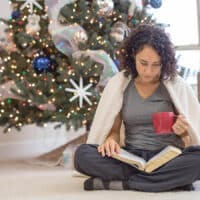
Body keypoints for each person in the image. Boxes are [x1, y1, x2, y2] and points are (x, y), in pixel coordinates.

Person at [74, 24, 200, 192]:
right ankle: (168, 181)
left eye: (156, 64)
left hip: (168, 157)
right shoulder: (121, 85)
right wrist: (110, 140)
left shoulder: (174, 85)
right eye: (144, 63)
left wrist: (181, 131)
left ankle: (125, 184)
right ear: (133, 56)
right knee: (82, 155)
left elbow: (188, 139)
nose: (149, 71)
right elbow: (113, 131)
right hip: (131, 158)